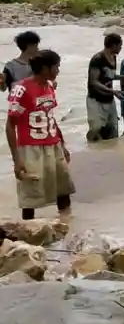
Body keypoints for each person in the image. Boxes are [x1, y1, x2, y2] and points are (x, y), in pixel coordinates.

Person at [6, 50, 74, 220]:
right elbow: (9, 125)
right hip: (31, 147)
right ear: (45, 68)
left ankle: (67, 225)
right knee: (30, 193)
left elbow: (50, 115)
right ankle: (28, 232)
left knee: (63, 187)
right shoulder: (22, 89)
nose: (58, 70)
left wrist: (62, 145)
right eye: (56, 66)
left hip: (53, 143)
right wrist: (17, 160)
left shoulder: (49, 86)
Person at [86, 33, 124, 141]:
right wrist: (113, 91)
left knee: (112, 130)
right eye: (120, 45)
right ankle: (90, 149)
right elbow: (94, 81)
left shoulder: (113, 58)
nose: (121, 48)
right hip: (96, 99)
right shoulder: (97, 59)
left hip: (109, 98)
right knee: (95, 128)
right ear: (113, 45)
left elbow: (110, 76)